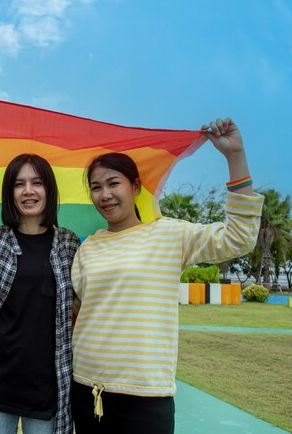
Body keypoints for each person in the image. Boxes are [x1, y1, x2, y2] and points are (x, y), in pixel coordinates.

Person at [70, 118, 264, 433]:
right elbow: (79, 309)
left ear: (135, 187)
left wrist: (235, 156)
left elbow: (239, 237)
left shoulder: (169, 234)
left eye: (113, 183)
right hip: (86, 389)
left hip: (145, 395)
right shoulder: (88, 247)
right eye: (96, 187)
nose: (104, 194)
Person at [0, 154, 80, 434]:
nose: (28, 191)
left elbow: (83, 304)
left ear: (49, 190)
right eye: (19, 184)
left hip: (48, 385)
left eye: (37, 183)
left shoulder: (69, 243)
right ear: (10, 192)